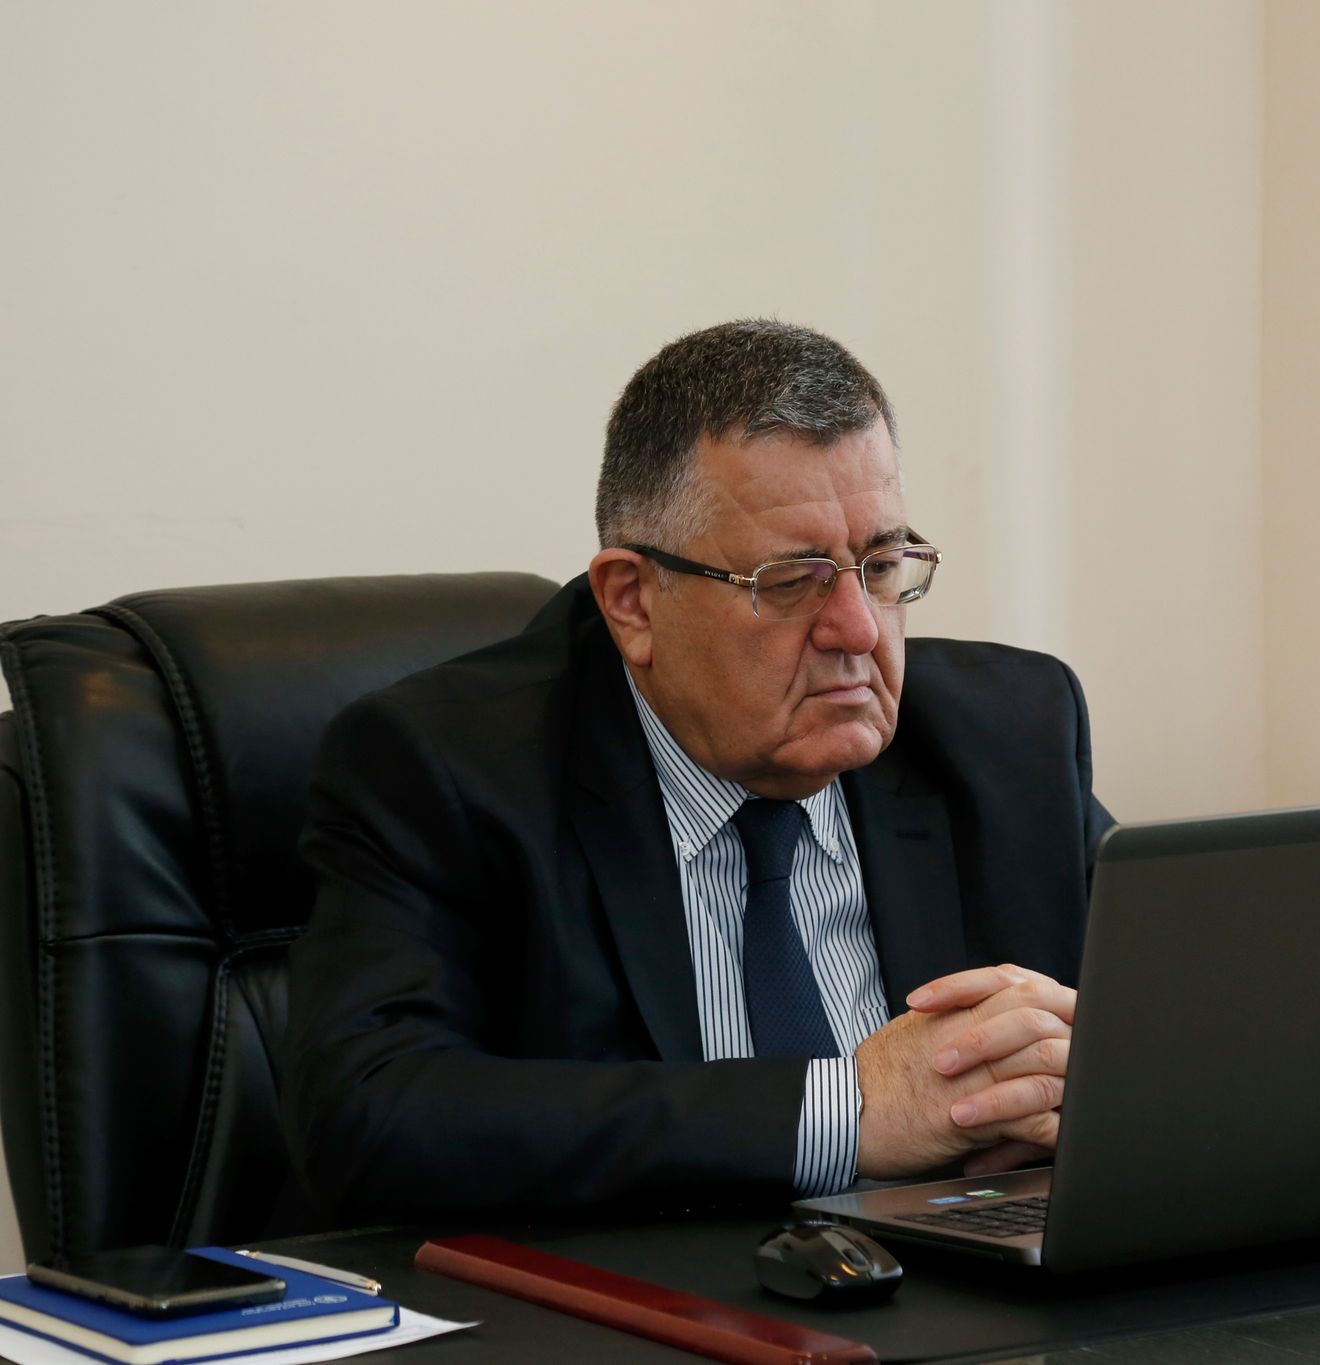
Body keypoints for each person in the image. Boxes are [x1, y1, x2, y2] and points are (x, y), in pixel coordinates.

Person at [282, 320, 1114, 1221]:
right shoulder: (443, 769)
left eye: (880, 565)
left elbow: (1188, 1022)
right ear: (633, 602)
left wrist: (1085, 1073)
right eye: (791, 580)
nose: (858, 628)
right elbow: (370, 1116)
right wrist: (849, 1111)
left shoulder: (1010, 738)